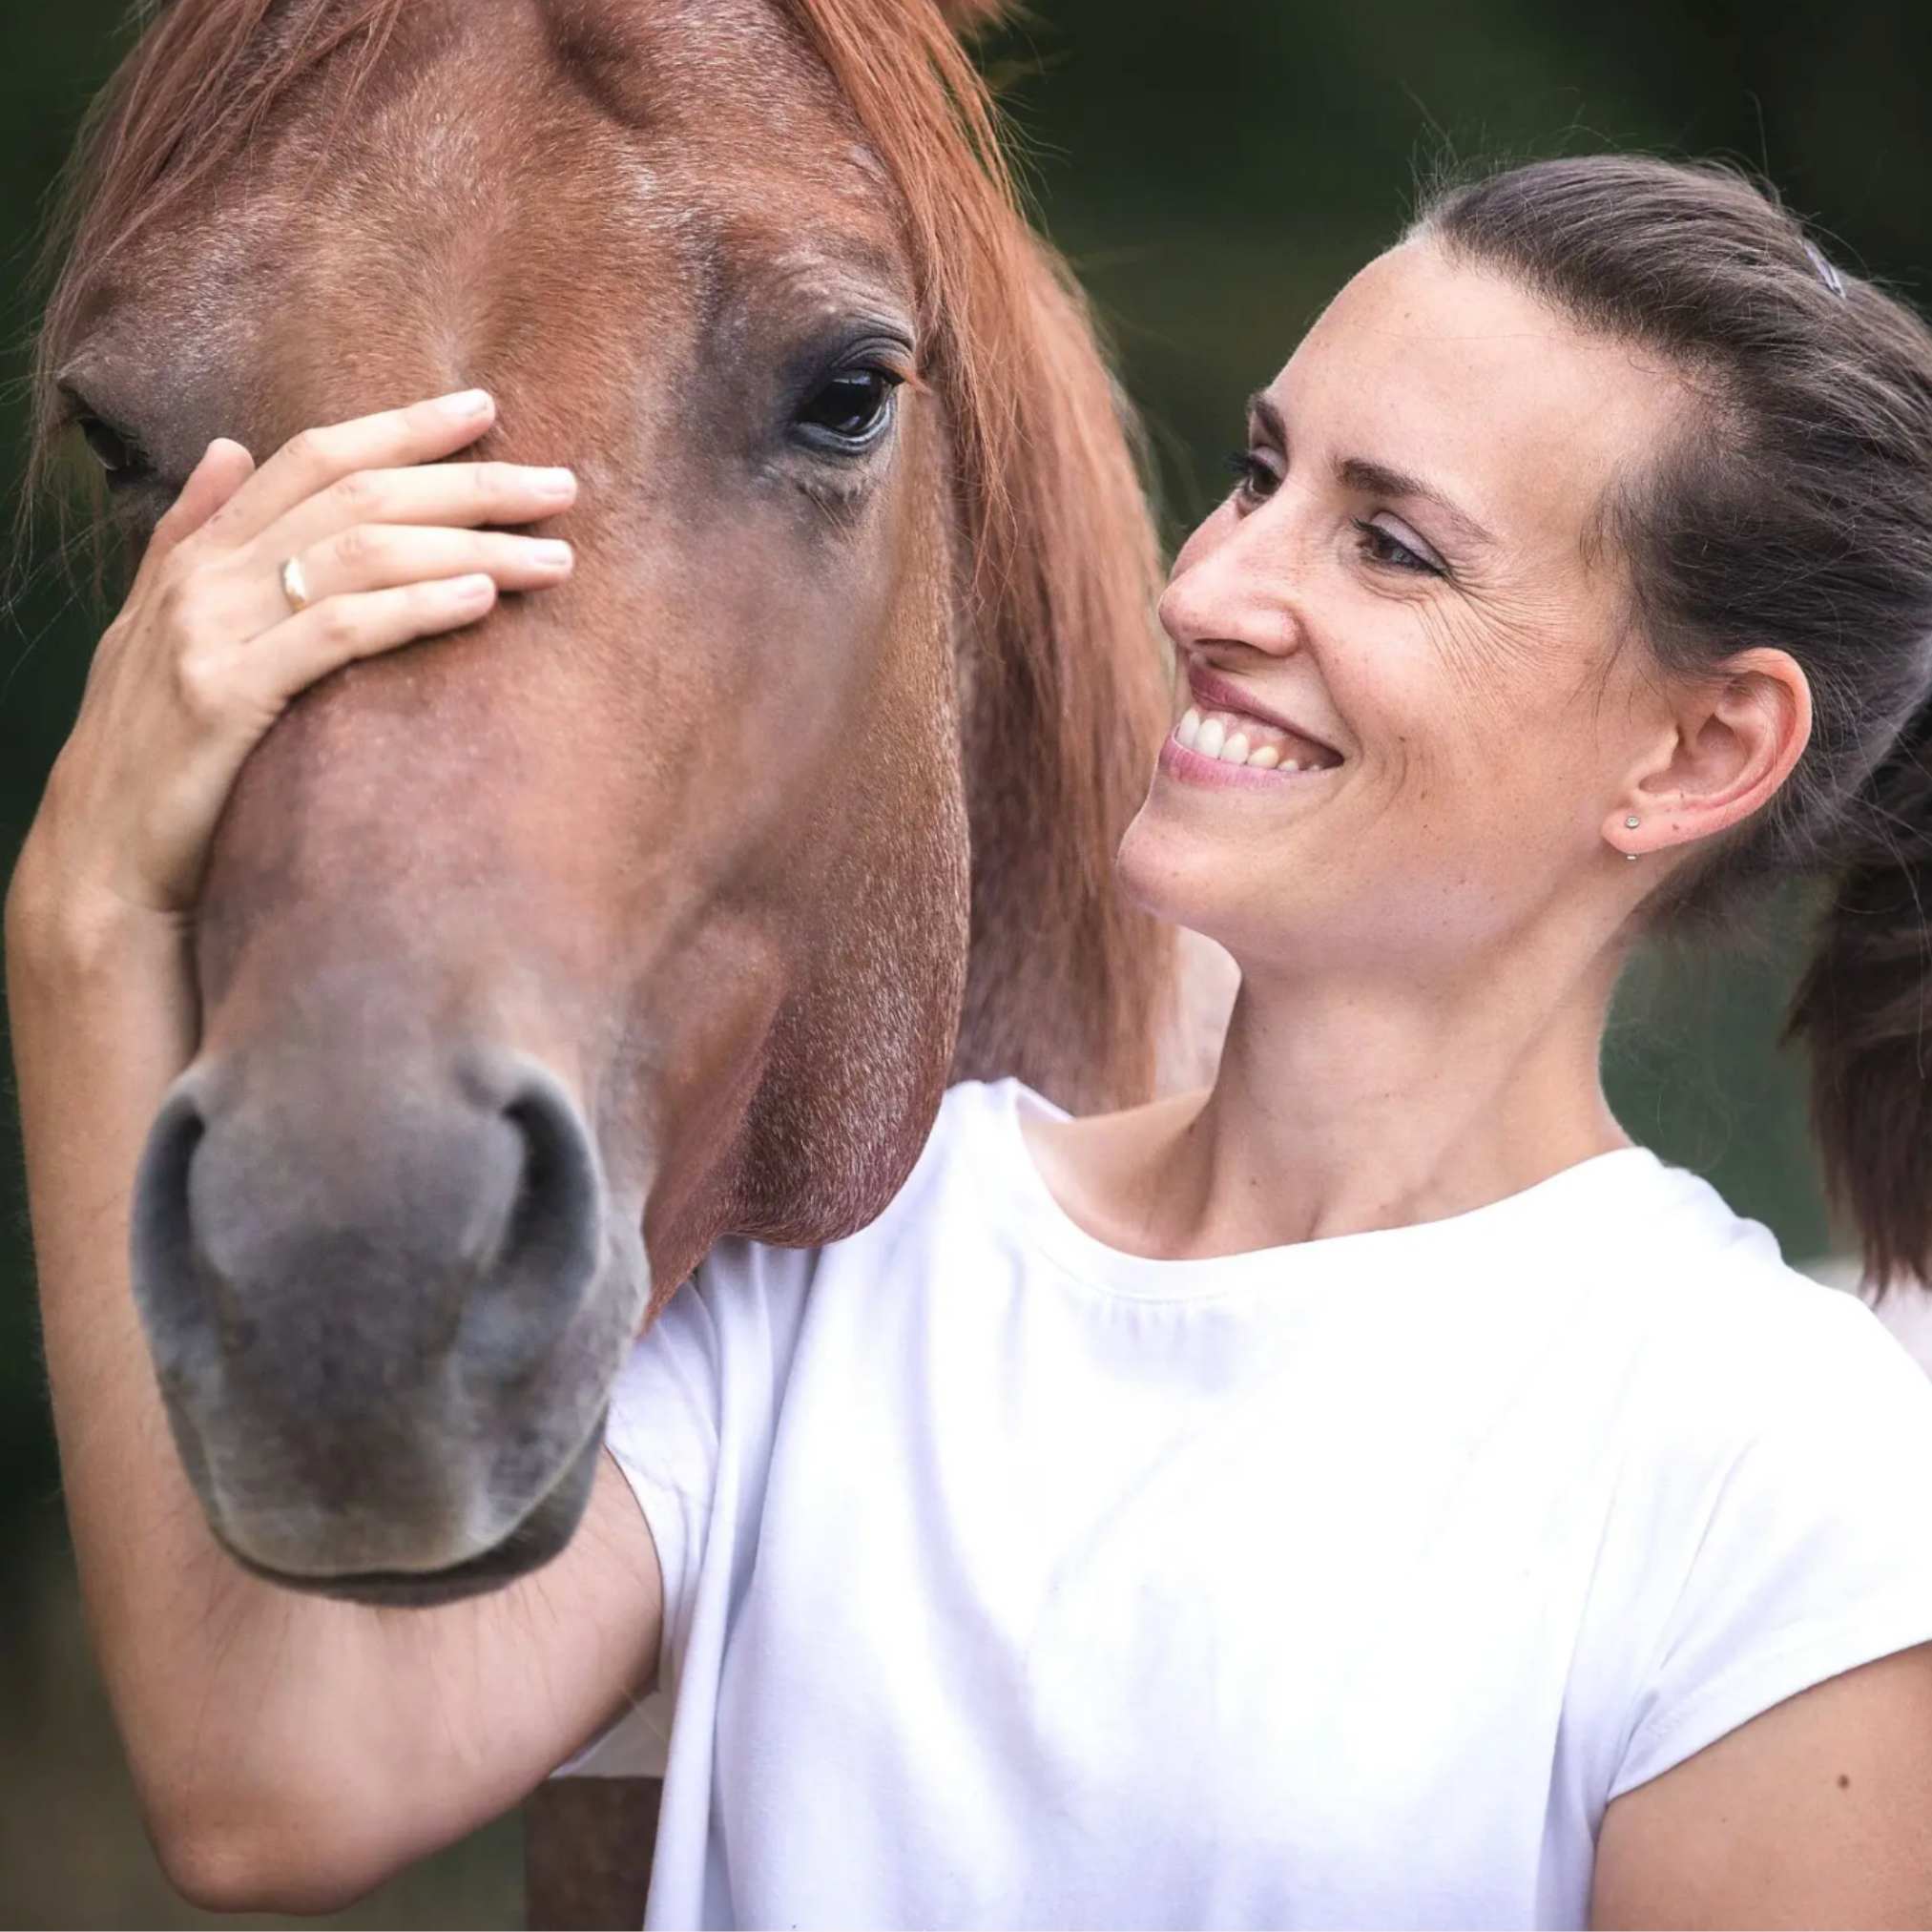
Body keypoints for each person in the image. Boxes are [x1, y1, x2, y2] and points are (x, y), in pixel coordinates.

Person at [11, 152, 1932, 1929]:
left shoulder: (1784, 1476)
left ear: (1696, 751)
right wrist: (86, 922)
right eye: (1262, 475)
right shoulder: (851, 1243)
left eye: (1391, 548)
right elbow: (276, 1774)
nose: (1206, 587)